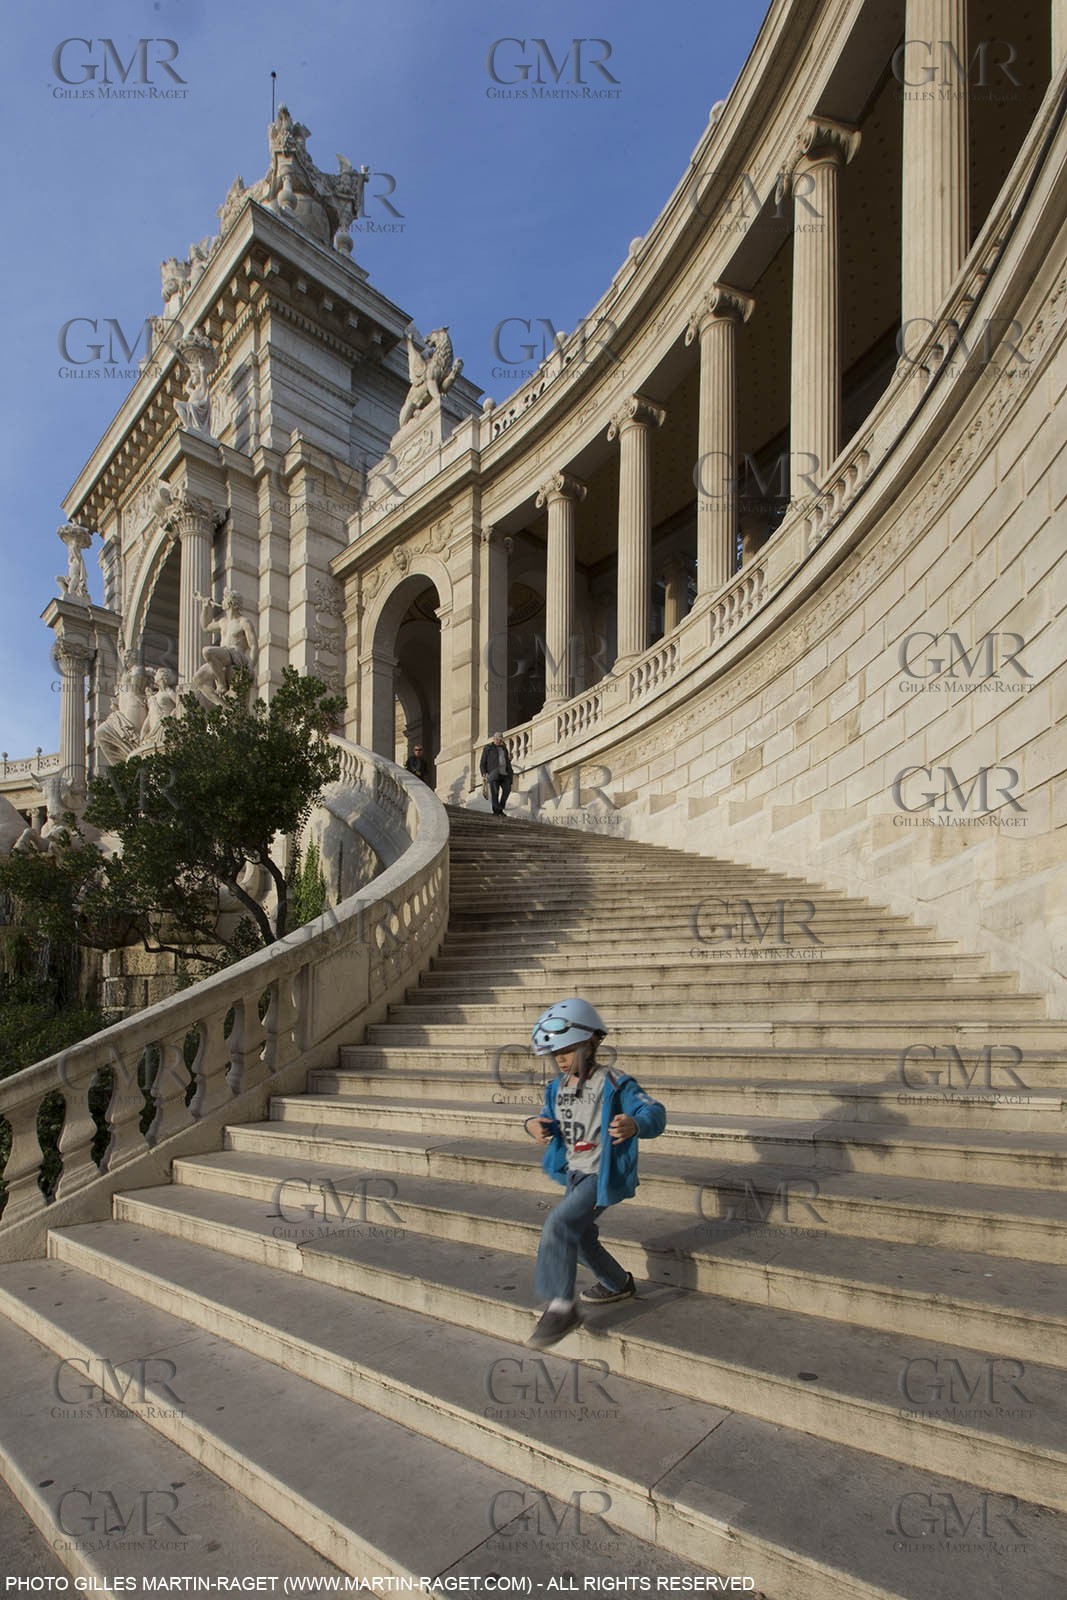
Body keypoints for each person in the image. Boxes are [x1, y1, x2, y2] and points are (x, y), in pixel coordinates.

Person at [522, 997, 667, 1348]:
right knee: (581, 1236)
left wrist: (635, 1124)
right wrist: (534, 1126)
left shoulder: (615, 1082)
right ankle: (618, 1283)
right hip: (574, 1173)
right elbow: (545, 1117)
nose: (561, 1060)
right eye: (556, 1055)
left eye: (567, 1051)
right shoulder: (556, 1088)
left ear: (592, 1043)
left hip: (601, 1173)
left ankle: (562, 1305)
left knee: (559, 1225)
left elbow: (655, 1112)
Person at [480, 731, 513, 815]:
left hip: (505, 773)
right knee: (495, 793)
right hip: (494, 773)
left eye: (500, 739)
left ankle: (500, 808)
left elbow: (507, 761)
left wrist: (510, 773)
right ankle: (497, 812)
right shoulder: (488, 748)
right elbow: (483, 761)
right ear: (494, 739)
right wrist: (484, 772)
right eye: (497, 739)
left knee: (507, 789)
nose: (499, 741)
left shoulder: (504, 748)